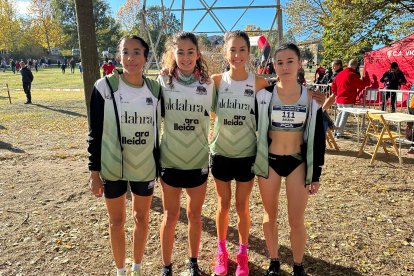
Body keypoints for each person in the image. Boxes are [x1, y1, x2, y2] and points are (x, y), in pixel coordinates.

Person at [87, 35, 162, 276]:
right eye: (126, 52)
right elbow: (94, 133)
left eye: (137, 52)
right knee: (116, 222)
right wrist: (94, 174)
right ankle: (120, 271)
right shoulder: (104, 87)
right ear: (119, 56)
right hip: (112, 167)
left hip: (144, 167)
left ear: (146, 57)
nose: (131, 58)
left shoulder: (155, 90)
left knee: (141, 218)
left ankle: (137, 268)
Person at [253, 43, 326, 276]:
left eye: (290, 61)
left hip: (297, 162)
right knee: (270, 215)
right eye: (280, 62)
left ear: (300, 63)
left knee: (296, 219)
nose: (284, 67)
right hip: (270, 161)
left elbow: (318, 138)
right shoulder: (264, 94)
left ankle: (298, 265)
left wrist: (316, 174)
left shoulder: (311, 98)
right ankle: (273, 261)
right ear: (274, 65)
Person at [209, 30, 269, 276]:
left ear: (249, 52)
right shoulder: (215, 81)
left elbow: (284, 95)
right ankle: (221, 251)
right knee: (223, 205)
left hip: (246, 154)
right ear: (225, 53)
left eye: (242, 49)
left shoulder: (259, 82)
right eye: (232, 50)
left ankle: (242, 253)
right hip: (221, 153)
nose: (237, 55)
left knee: (242, 205)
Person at [157, 32, 214, 276]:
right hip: (170, 160)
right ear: (173, 54)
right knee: (170, 216)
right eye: (180, 52)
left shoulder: (209, 84)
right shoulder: (162, 82)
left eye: (190, 51)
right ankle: (166, 267)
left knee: (194, 215)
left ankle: (193, 263)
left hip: (198, 161)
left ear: (198, 54)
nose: (186, 57)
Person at [322, 59, 365, 138]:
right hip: (348, 99)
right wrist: (364, 79)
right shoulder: (353, 75)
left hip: (339, 98)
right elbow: (361, 85)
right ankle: (339, 133)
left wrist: (336, 93)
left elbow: (334, 85)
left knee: (340, 115)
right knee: (344, 116)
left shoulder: (340, 74)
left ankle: (335, 131)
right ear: (355, 66)